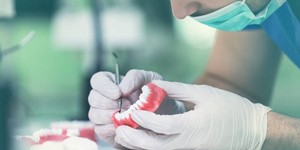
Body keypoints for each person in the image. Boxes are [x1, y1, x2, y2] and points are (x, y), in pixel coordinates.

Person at [88, 0, 300, 149]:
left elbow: (251, 125)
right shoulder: (256, 6)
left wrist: (265, 130)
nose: (179, 11)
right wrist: (175, 115)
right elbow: (234, 83)